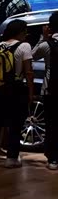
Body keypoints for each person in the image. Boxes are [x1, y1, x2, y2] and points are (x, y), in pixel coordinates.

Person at [0, 19, 34, 168]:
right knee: (15, 124)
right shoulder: (24, 46)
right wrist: (30, 93)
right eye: (25, 31)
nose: (26, 34)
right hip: (15, 89)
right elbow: (28, 71)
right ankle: (11, 158)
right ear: (20, 32)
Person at [30, 11, 58, 170]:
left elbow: (31, 56)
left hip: (50, 90)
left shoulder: (46, 45)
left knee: (51, 125)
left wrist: (43, 37)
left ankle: (53, 159)